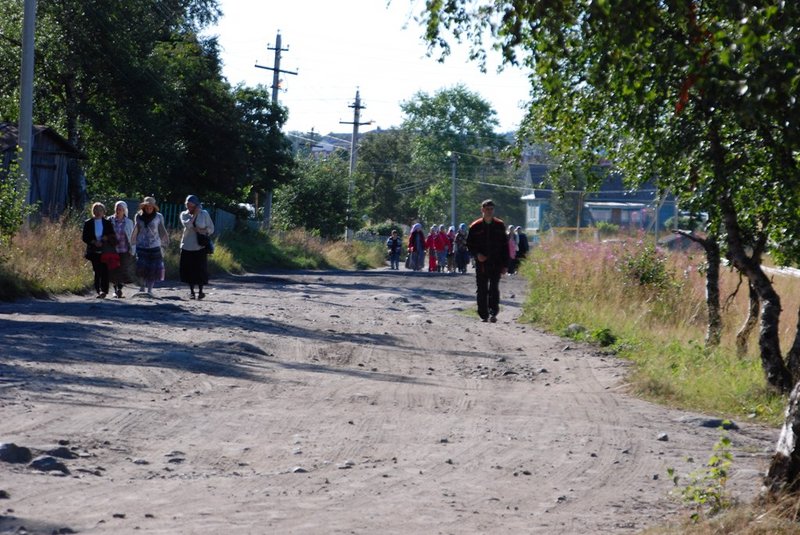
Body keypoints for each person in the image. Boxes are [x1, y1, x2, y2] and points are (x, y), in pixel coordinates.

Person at [466, 199, 509, 323]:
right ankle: (483, 314)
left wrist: (506, 264)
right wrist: (477, 254)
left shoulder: (500, 225)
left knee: (494, 288)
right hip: (482, 263)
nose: (489, 211)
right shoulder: (475, 226)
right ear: (482, 210)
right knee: (482, 288)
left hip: (496, 262)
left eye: (491, 209)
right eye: (487, 209)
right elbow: (469, 245)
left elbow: (505, 246)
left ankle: (493, 313)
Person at [130, 196, 169, 297]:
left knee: (153, 268)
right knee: (141, 267)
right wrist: (133, 243)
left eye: (151, 207)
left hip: (155, 245)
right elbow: (136, 229)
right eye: (147, 207)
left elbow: (162, 230)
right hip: (141, 245)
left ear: (154, 208)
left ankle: (150, 289)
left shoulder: (159, 217)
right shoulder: (138, 216)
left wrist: (164, 243)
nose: (149, 209)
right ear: (144, 207)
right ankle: (142, 286)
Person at [179, 194, 215, 300]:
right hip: (187, 245)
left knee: (200, 269)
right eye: (187, 205)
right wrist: (194, 214)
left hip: (200, 246)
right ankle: (191, 292)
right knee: (189, 269)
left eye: (191, 205)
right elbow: (188, 225)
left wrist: (203, 231)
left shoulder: (204, 214)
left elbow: (211, 228)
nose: (189, 207)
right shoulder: (184, 214)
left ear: (196, 205)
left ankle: (200, 291)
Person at [82, 202, 116, 299]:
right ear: (93, 211)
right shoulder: (88, 223)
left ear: (103, 212)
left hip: (105, 250)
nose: (98, 212)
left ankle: (104, 290)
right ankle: (98, 290)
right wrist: (93, 242)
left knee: (105, 270)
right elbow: (85, 237)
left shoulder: (107, 223)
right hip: (93, 250)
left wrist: (106, 238)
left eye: (100, 210)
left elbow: (112, 235)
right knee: (97, 270)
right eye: (96, 210)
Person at [107, 200, 135, 298]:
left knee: (123, 269)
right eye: (117, 209)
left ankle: (119, 288)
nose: (118, 211)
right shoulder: (109, 220)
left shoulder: (129, 222)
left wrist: (133, 249)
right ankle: (116, 289)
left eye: (120, 209)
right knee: (113, 270)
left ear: (124, 211)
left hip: (124, 250)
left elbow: (132, 236)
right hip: (112, 250)